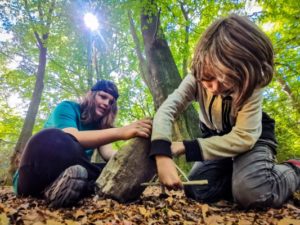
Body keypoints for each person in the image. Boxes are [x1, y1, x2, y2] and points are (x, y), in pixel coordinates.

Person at [150, 14, 300, 209]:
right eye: (209, 78)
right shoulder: (195, 77)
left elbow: (244, 137)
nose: (215, 87)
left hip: (252, 139)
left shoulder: (251, 87)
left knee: (254, 194)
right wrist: (162, 154)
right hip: (216, 138)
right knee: (196, 190)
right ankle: (239, 178)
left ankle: (293, 169)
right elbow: (167, 110)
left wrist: (186, 147)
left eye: (227, 81)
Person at [14, 80, 152, 208]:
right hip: (35, 172)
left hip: (71, 172)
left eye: (111, 102)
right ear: (91, 95)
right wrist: (122, 131)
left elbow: (109, 154)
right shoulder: (67, 107)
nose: (106, 104)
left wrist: (138, 156)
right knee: (52, 137)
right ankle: (87, 186)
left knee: (110, 169)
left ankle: (61, 188)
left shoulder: (102, 127)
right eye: (103, 97)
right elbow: (72, 136)